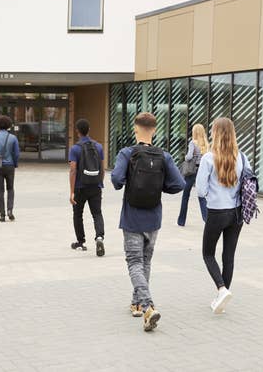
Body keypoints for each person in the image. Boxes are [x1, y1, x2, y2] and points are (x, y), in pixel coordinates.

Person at [111, 112, 185, 332]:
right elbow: (179, 184)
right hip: (153, 218)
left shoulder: (127, 153)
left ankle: (147, 306)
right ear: (154, 129)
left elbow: (116, 179)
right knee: (145, 261)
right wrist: (159, 187)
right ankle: (136, 304)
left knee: (134, 262)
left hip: (132, 217)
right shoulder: (165, 156)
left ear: (135, 128)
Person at [195, 118, 249, 314]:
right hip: (237, 213)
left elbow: (200, 190)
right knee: (229, 256)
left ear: (215, 134)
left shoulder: (209, 158)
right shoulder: (242, 157)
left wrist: (213, 193)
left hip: (217, 211)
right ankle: (222, 298)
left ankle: (221, 289)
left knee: (208, 253)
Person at [68, 118, 106, 255]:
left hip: (80, 187)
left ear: (77, 131)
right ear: (89, 130)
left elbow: (73, 170)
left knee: (78, 214)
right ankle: (100, 237)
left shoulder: (75, 149)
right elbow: (102, 168)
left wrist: (71, 192)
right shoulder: (99, 147)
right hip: (95, 186)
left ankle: (81, 242)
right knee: (97, 213)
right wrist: (100, 183)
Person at [177, 123, 208, 226]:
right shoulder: (206, 144)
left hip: (191, 171)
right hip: (202, 171)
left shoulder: (192, 143)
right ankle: (206, 219)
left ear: (194, 132)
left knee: (185, 195)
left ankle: (181, 221)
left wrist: (185, 157)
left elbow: (189, 157)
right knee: (201, 195)